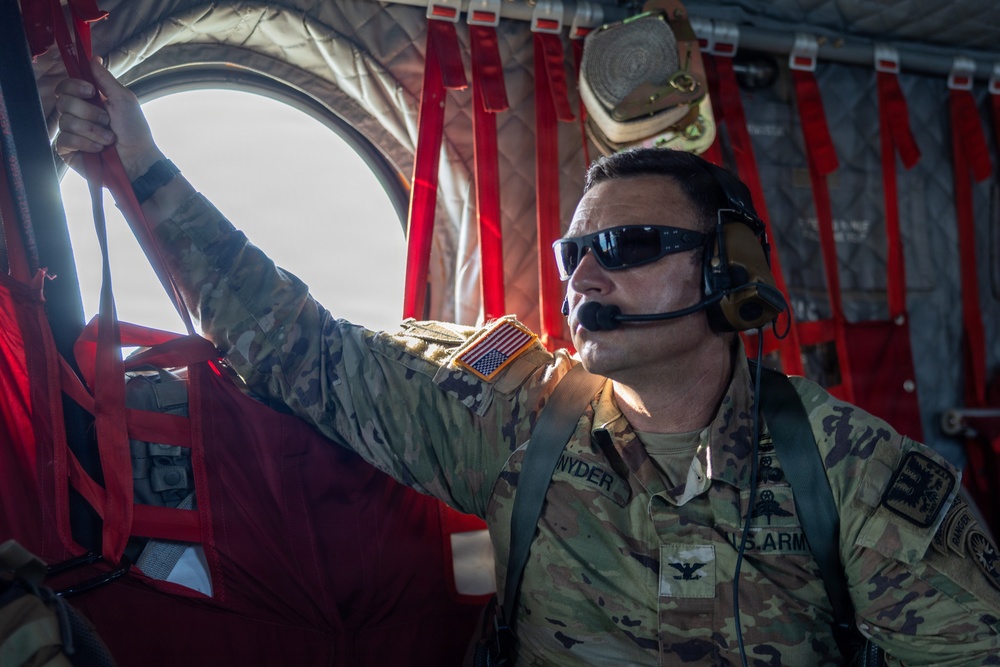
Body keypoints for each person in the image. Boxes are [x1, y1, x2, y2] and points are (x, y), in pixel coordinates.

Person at [54, 59, 1000, 666]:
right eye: (573, 253)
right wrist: (146, 168)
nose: (586, 273)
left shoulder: (856, 475)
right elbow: (301, 348)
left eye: (628, 245)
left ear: (731, 271)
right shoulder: (517, 421)